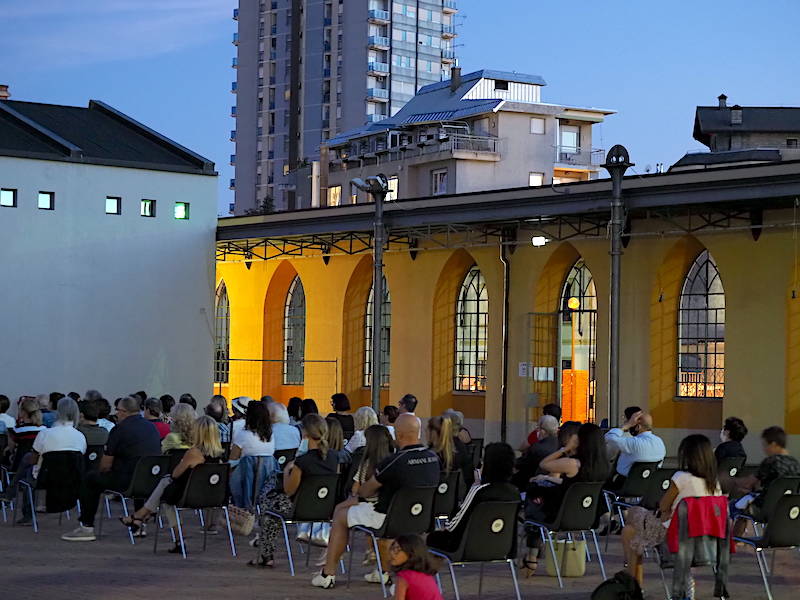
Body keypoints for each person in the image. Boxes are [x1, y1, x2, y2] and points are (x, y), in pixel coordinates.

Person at [312, 413, 440, 589]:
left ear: (398, 434)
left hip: (388, 518)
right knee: (377, 522)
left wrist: (359, 493)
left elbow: (366, 490)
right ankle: (383, 572)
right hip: (420, 519)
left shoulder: (395, 461)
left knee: (341, 516)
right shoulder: (434, 458)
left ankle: (328, 574)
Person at [621, 434, 722, 586]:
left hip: (673, 534)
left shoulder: (681, 477)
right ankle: (633, 582)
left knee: (632, 519)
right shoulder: (714, 483)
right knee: (631, 533)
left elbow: (663, 506)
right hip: (703, 537)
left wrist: (667, 511)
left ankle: (633, 583)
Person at [62, 395, 160, 542]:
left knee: (90, 479)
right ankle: (140, 526)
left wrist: (102, 471)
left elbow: (105, 464)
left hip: (126, 481)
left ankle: (86, 527)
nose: (116, 414)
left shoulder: (120, 429)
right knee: (137, 474)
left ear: (125, 412)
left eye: (118, 410)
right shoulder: (151, 427)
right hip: (149, 481)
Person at [120, 416, 224, 553]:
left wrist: (182, 461)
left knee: (167, 490)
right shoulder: (219, 455)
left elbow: (176, 474)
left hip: (191, 497)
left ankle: (143, 518)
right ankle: (140, 517)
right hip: (213, 497)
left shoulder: (194, 453)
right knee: (167, 488)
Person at [252, 413, 340, 568]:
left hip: (300, 509)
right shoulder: (334, 457)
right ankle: (264, 546)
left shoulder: (303, 461)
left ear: (305, 433)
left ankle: (266, 552)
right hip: (325, 508)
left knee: (268, 504)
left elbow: (289, 490)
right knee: (273, 503)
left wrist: (287, 470)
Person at [522, 422, 609, 576]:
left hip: (561, 517)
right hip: (587, 518)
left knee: (535, 501)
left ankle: (532, 556)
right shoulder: (602, 467)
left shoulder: (573, 463)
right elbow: (574, 485)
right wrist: (550, 479)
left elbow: (544, 464)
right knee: (541, 492)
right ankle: (532, 555)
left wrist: (565, 449)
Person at [428, 442, 519, 553]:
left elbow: (454, 525)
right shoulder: (514, 492)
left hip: (466, 547)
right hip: (502, 547)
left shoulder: (480, 491)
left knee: (430, 539)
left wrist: (473, 487)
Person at [732, 426, 800, 535]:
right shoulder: (795, 464)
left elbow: (749, 483)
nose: (764, 449)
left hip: (765, 510)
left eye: (765, 445)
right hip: (787, 511)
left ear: (773, 444)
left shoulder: (770, 462)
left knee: (736, 506)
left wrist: (731, 481)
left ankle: (733, 541)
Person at [604, 411, 666, 489]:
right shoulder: (660, 442)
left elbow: (608, 438)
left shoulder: (633, 443)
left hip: (624, 485)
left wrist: (626, 425)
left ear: (638, 427)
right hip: (649, 486)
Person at [387, 534, 444, 600]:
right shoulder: (424, 573)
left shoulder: (404, 577)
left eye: (398, 550)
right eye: (392, 548)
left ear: (411, 553)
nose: (392, 553)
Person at [512, 414, 559, 491]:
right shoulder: (561, 446)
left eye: (538, 428)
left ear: (543, 431)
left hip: (531, 485)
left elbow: (521, 463)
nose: (537, 431)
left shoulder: (537, 448)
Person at [427, 415, 473, 488]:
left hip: (436, 495)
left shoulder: (430, 455)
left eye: (427, 429)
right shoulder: (461, 448)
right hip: (460, 495)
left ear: (433, 433)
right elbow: (469, 477)